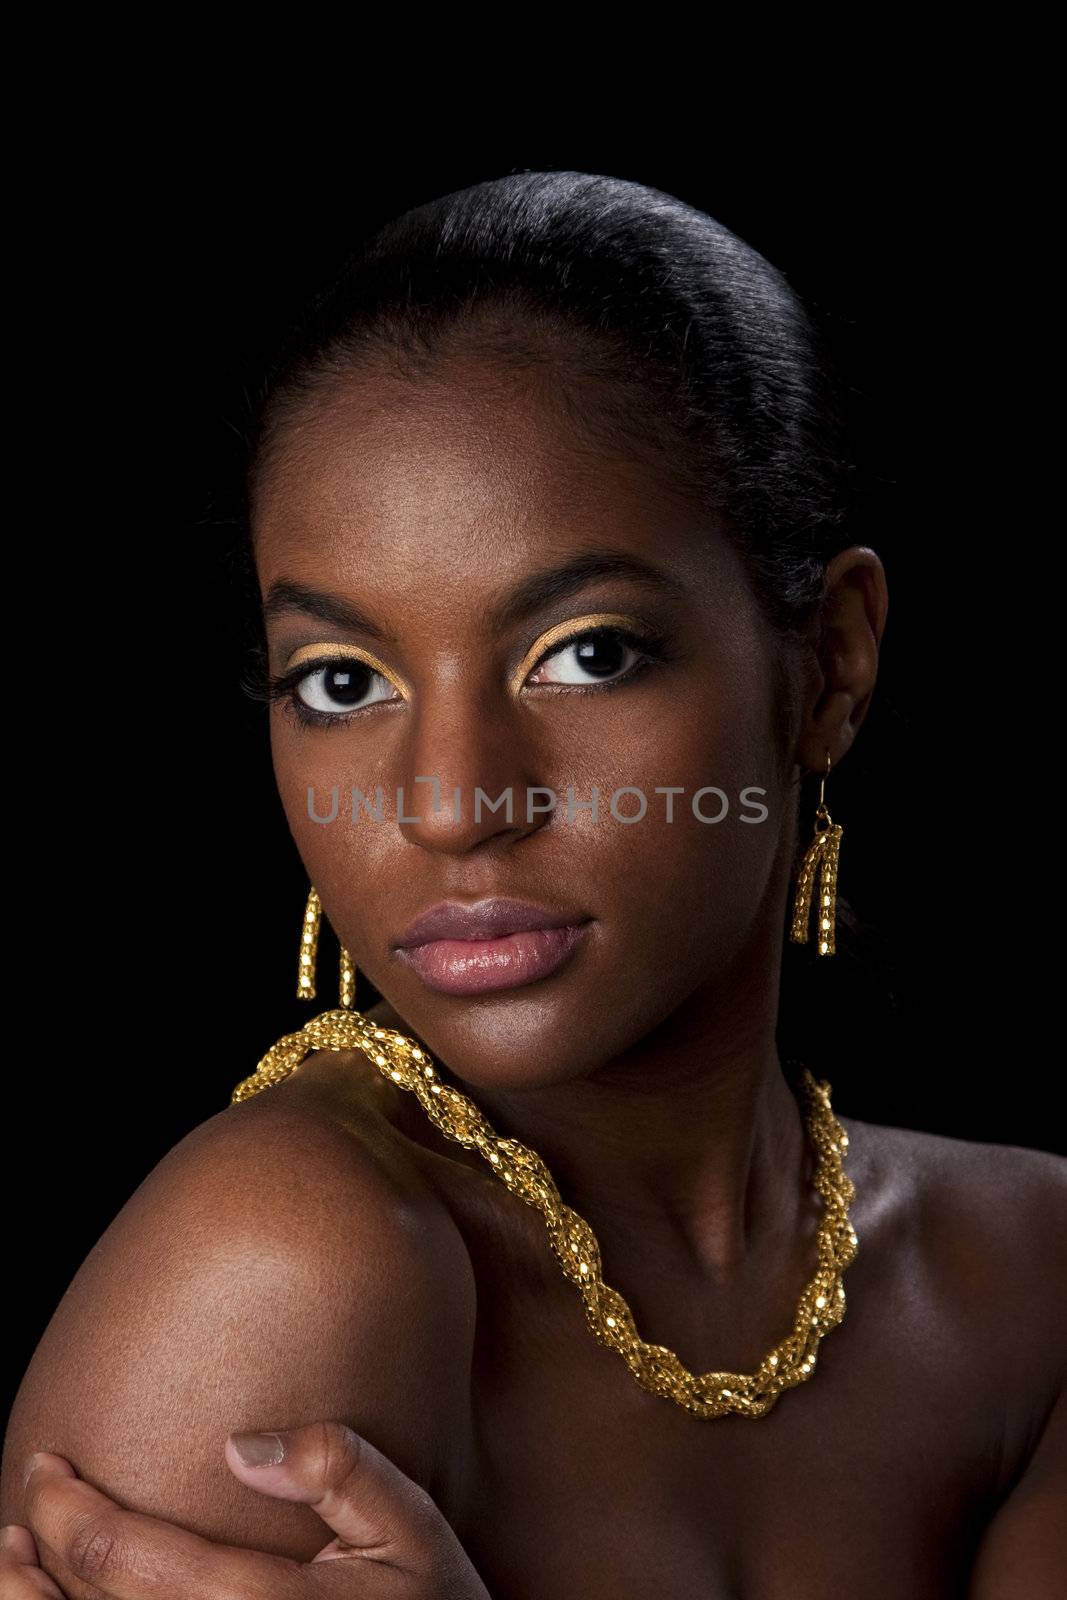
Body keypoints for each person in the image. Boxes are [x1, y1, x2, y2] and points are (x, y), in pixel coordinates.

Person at [1, 170, 1063, 1599]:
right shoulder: (286, 1264)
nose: (450, 805)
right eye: (340, 681)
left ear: (829, 666)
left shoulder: (1034, 1287)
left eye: (588, 652)